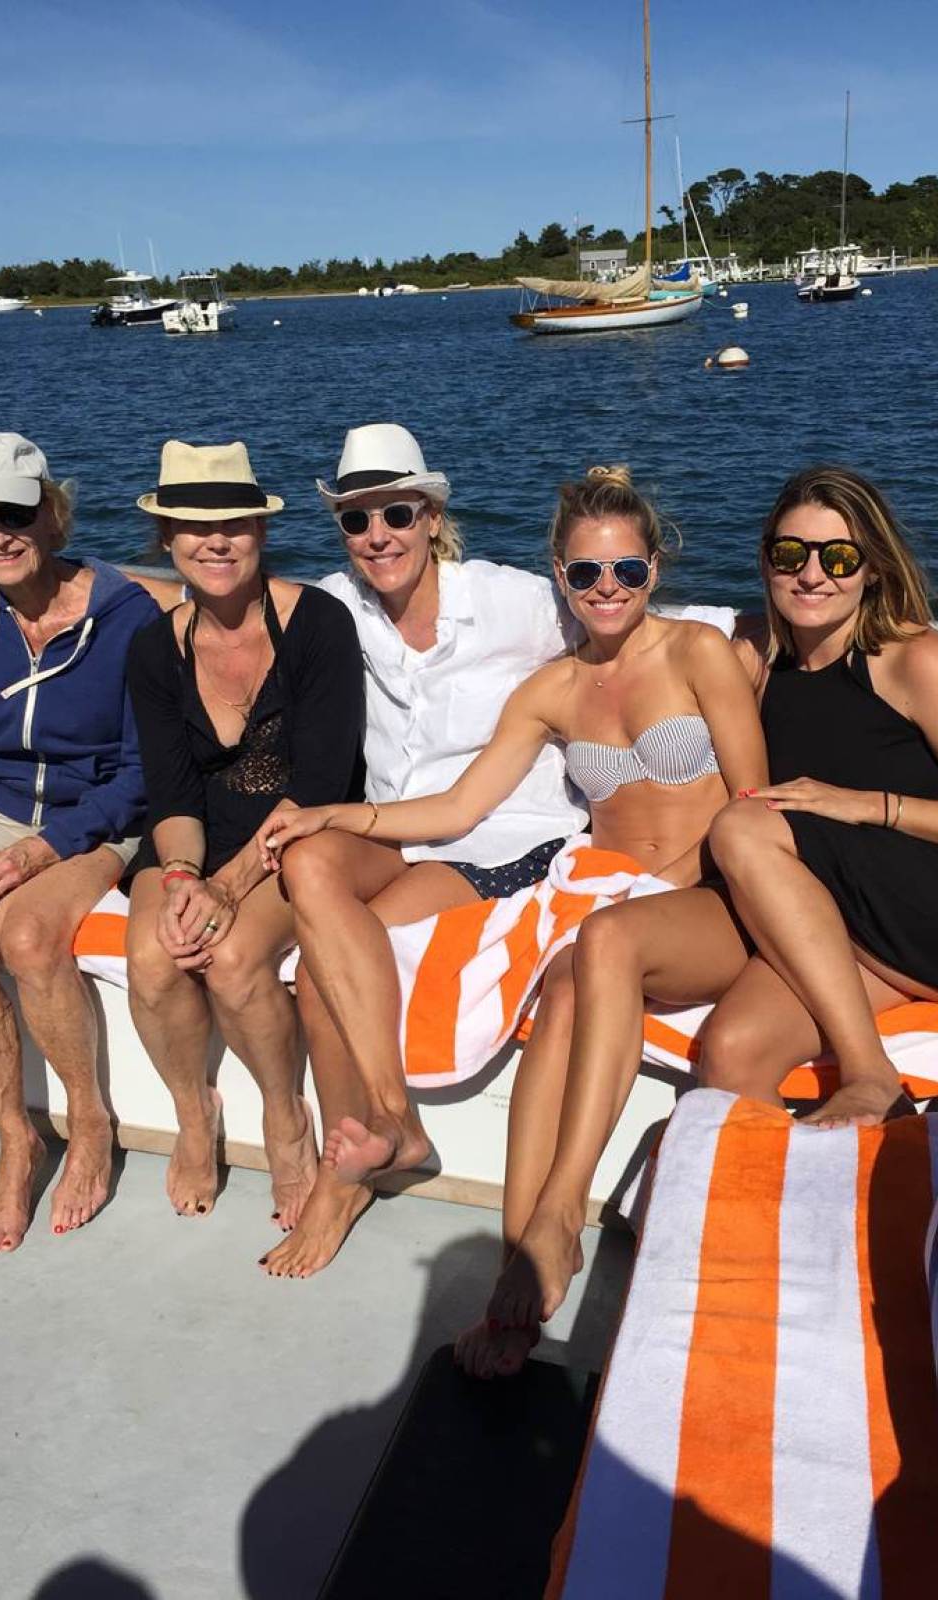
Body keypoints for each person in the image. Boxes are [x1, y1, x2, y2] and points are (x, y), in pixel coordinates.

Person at [480, 463, 938, 1351]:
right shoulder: (757, 655)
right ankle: (756, 1279)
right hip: (827, 911)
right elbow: (660, 662)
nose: (812, 573)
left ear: (873, 565)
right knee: (732, 1048)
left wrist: (864, 804)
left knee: (745, 827)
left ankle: (870, 1073)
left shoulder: (913, 658)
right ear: (766, 561)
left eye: (837, 556)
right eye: (790, 553)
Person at [255, 461, 767, 1319]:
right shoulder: (552, 689)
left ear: (654, 569)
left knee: (593, 956)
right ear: (559, 577)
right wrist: (335, 815)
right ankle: (517, 1261)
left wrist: (676, 880)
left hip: (707, 888)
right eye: (587, 572)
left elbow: (752, 801)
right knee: (562, 984)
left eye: (627, 569)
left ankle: (553, 1224)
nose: (608, 588)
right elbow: (460, 805)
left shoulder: (698, 653)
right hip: (601, 889)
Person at [239, 422, 591, 1280]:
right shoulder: (336, 608)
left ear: (432, 517)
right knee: (309, 863)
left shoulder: (513, 603)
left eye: (396, 513)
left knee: (319, 970)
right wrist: (87, 584)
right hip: (396, 827)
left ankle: (354, 1166)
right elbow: (232, 598)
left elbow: (632, 616)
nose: (378, 536)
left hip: (499, 836)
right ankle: (393, 1122)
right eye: (356, 520)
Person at [0, 429, 161, 1252]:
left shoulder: (126, 617)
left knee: (28, 935)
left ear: (52, 513)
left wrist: (45, 849)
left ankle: (89, 1123)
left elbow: (140, 773)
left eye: (13, 513)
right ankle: (16, 1139)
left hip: (95, 817)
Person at [123, 440, 364, 1236]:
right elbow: (171, 791)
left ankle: (285, 1118)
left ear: (261, 532)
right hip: (196, 837)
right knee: (152, 955)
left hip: (298, 833)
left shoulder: (317, 623)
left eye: (233, 524)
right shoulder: (154, 648)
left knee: (229, 960)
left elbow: (321, 781)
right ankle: (194, 1116)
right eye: (194, 527)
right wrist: (183, 876)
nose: (215, 541)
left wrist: (227, 887)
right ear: (167, 539)